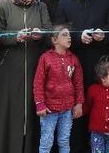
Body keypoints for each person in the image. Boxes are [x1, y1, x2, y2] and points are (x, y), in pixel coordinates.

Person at [56, 0, 109, 153]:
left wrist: (104, 33)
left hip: (100, 63)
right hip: (75, 63)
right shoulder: (66, 1)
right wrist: (77, 36)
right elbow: (59, 30)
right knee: (77, 109)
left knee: (99, 107)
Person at [0, 0, 52, 153]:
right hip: (9, 67)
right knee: (8, 110)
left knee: (34, 109)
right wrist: (14, 37)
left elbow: (49, 30)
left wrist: (42, 34)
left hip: (35, 65)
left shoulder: (41, 6)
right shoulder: (3, 4)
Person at [34, 25, 84, 153]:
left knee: (64, 140)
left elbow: (78, 83)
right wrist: (40, 104)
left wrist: (78, 104)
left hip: (67, 110)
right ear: (54, 40)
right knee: (46, 141)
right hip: (49, 110)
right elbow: (38, 83)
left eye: (69, 35)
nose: (69, 37)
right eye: (64, 34)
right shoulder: (45, 58)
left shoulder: (74, 59)